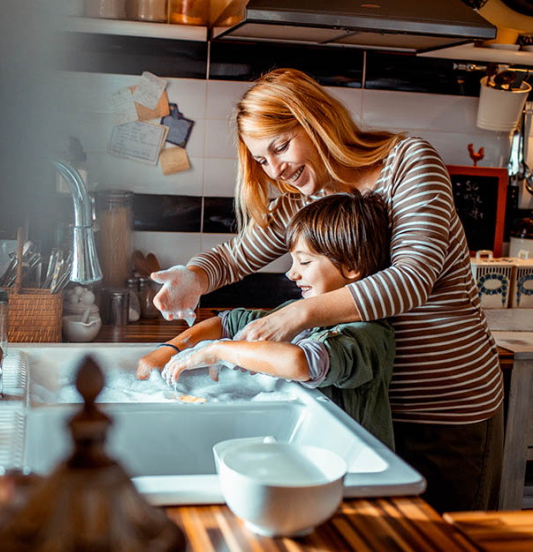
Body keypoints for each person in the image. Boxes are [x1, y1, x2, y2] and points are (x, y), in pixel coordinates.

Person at [149, 68, 504, 514]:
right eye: (261, 159)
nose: (275, 169)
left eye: (280, 146)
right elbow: (235, 256)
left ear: (317, 121)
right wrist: (193, 277)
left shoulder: (408, 161)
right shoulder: (304, 198)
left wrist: (297, 314)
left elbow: (413, 278)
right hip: (368, 410)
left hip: (445, 408)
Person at [138, 192, 396, 448]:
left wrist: (220, 351)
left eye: (304, 262)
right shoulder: (297, 309)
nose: (291, 273)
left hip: (353, 468)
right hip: (308, 450)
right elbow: (228, 322)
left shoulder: (368, 333)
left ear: (351, 266)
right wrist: (170, 349)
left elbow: (302, 362)